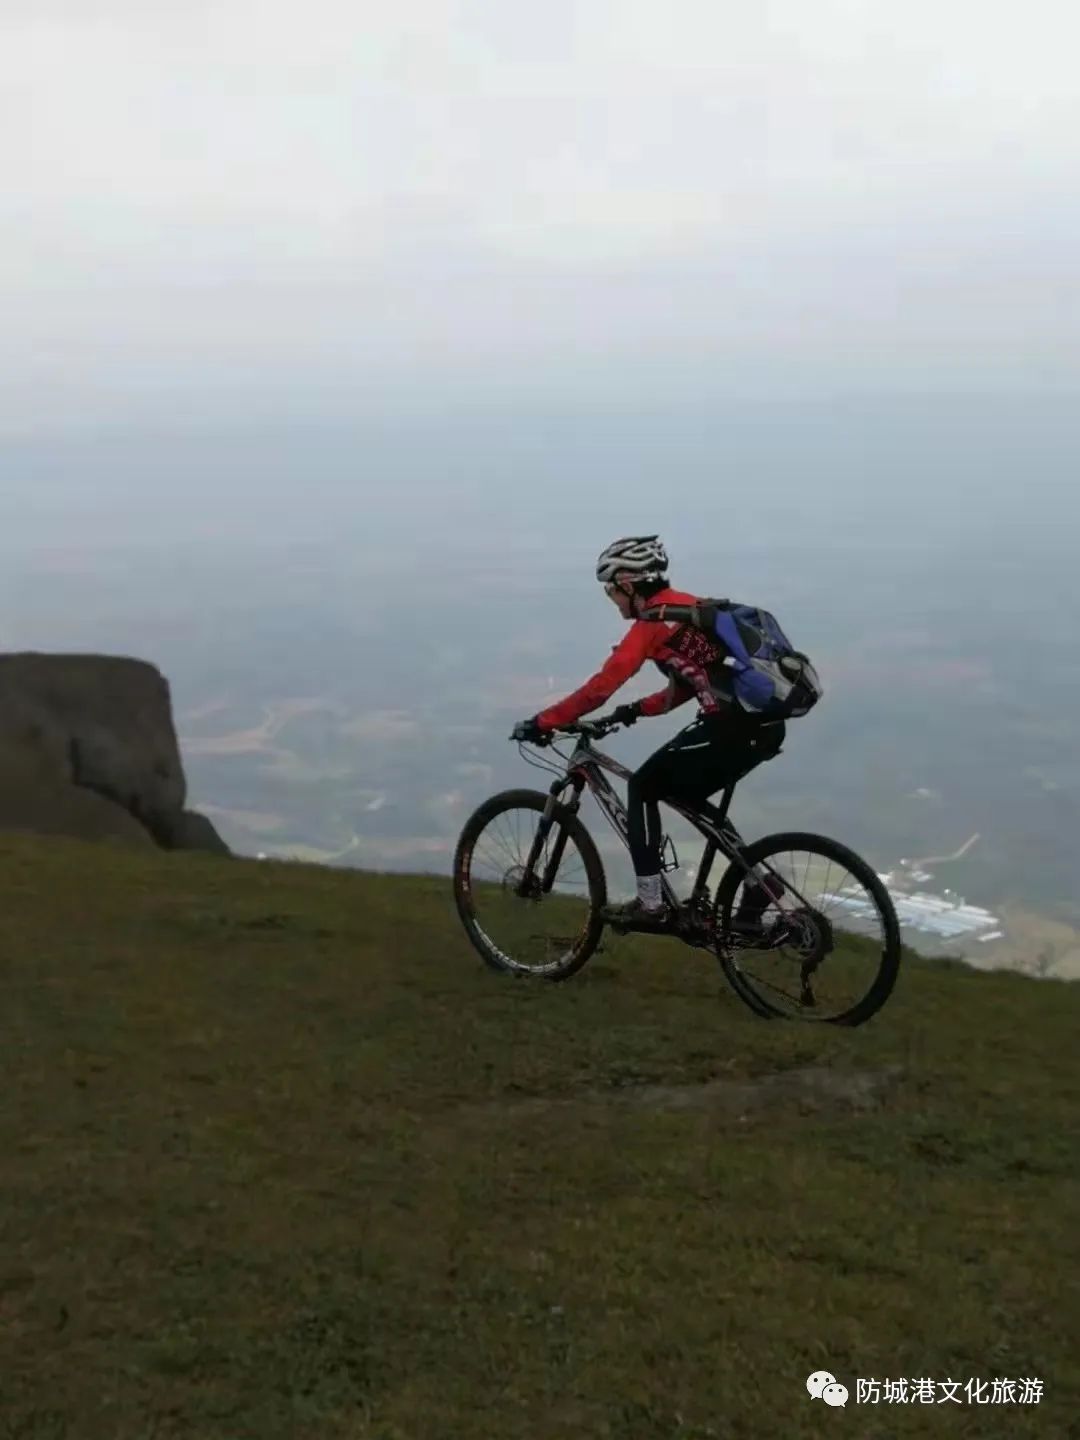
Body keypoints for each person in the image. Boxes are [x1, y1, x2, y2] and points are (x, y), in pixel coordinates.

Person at [512, 535, 785, 925]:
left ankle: (651, 903)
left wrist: (543, 721)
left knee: (643, 786)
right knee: (685, 794)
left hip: (731, 729)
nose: (613, 600)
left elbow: (600, 688)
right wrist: (634, 711)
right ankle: (760, 883)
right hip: (763, 727)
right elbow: (694, 681)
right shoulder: (691, 608)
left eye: (611, 591)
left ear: (628, 583)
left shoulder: (652, 623)